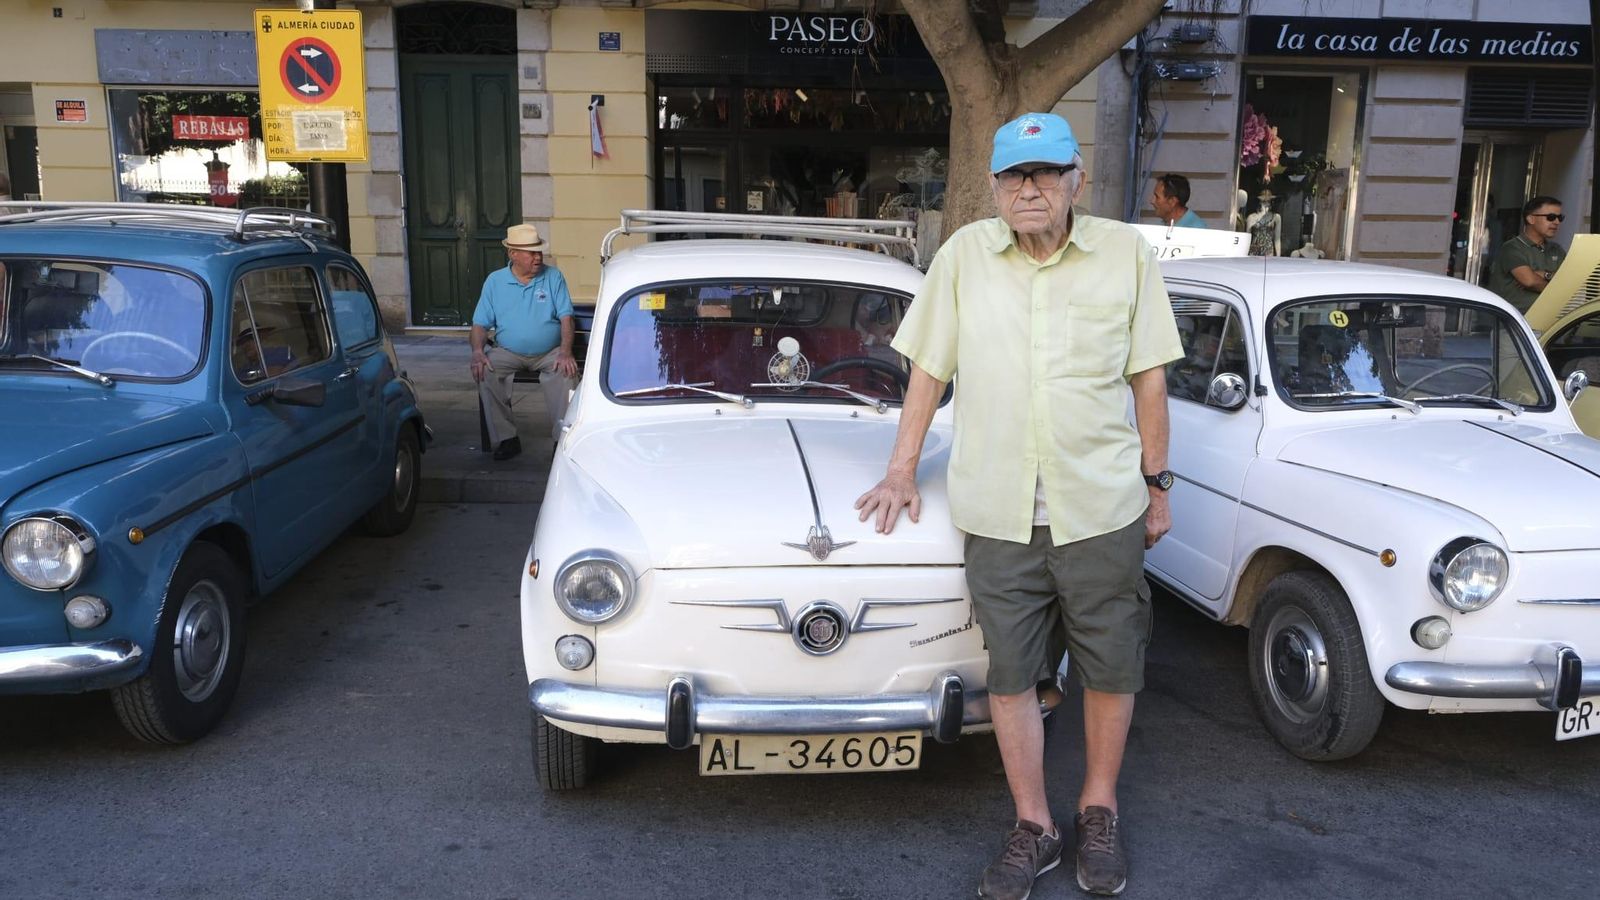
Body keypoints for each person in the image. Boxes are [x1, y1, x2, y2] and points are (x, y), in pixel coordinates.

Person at [855, 112, 1182, 899]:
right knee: (1009, 675)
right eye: (1013, 176)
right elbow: (928, 370)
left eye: (1043, 173)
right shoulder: (965, 255)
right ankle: (1032, 823)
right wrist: (901, 469)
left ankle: (1097, 807)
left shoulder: (1125, 255)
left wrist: (1157, 483)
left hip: (1101, 504)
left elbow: (1150, 380)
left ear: (1076, 180)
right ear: (995, 188)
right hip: (998, 506)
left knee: (1111, 665)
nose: (1028, 188)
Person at [470, 223, 579, 461]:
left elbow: (566, 317)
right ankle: (507, 438)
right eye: (531, 252)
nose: (538, 257)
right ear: (513, 254)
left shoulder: (553, 276)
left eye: (539, 251)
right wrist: (478, 351)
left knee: (567, 373)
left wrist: (565, 351)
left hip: (550, 352)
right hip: (508, 351)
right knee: (485, 371)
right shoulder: (495, 282)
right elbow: (479, 324)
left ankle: (563, 440)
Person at [1488, 195, 1567, 314]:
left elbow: (1569, 282)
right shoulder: (1512, 247)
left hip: (1550, 323)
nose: (1556, 222)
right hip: (1516, 324)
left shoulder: (1556, 249)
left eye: (1560, 217)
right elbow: (1530, 281)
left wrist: (1545, 275)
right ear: (1530, 219)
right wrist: (1556, 285)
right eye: (1551, 217)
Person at [1246, 190, 1280, 256]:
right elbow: (1247, 239)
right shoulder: (1251, 217)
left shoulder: (1276, 217)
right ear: (1260, 202)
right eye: (1264, 201)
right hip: (1254, 251)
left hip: (1268, 251)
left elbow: (1277, 239)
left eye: (1268, 201)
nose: (1266, 204)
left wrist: (1278, 257)